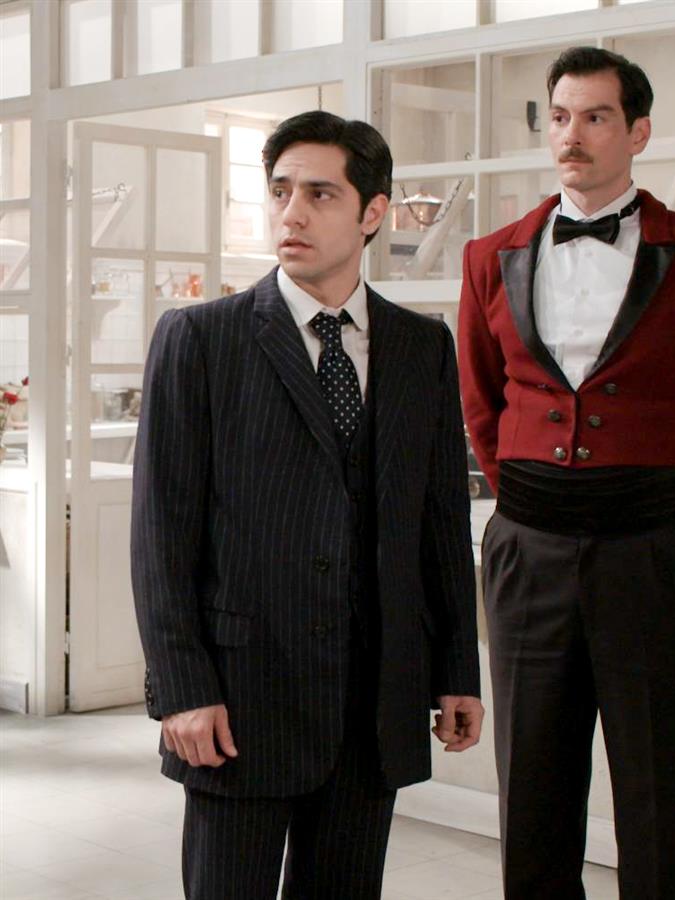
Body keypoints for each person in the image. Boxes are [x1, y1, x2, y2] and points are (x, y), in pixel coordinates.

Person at [132, 110, 483, 900]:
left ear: (372, 212)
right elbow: (160, 535)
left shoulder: (421, 347)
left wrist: (456, 670)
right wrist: (182, 687)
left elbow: (438, 521)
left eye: (320, 194)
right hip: (240, 699)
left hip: (374, 704)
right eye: (281, 191)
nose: (292, 213)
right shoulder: (201, 340)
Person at [458, 47, 675, 899]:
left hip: (655, 548)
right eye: (560, 117)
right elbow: (481, 403)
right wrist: (528, 502)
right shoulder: (490, 256)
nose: (573, 135)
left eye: (596, 117)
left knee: (654, 792)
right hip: (528, 548)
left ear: (638, 132)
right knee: (531, 791)